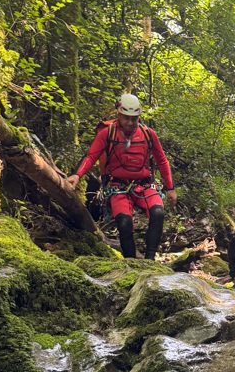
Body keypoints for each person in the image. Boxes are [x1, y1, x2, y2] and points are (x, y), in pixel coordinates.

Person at [67, 93, 177, 260]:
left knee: (158, 213)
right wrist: (77, 175)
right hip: (117, 186)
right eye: (127, 118)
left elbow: (162, 160)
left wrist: (170, 188)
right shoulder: (107, 133)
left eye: (134, 118)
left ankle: (150, 259)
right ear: (119, 114)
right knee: (124, 223)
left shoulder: (148, 134)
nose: (130, 123)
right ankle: (130, 261)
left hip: (145, 185)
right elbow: (91, 156)